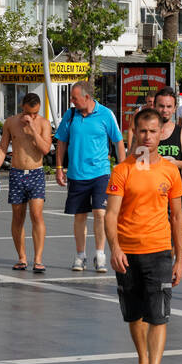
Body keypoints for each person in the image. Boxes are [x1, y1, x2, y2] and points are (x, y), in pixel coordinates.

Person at [105, 107, 182, 364]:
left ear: (161, 134)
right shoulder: (122, 169)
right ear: (134, 132)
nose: (148, 137)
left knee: (159, 316)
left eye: (153, 132)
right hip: (127, 252)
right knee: (134, 314)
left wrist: (180, 259)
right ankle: (142, 362)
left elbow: (177, 216)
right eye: (143, 131)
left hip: (160, 251)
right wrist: (114, 247)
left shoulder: (170, 170)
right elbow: (110, 214)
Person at [55, 81, 126, 274]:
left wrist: (123, 167)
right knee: (79, 215)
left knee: (100, 214)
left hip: (100, 172)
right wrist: (59, 167)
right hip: (76, 173)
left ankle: (100, 254)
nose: (72, 101)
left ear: (87, 97)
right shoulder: (70, 116)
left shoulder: (105, 114)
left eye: (74, 98)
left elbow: (118, 142)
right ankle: (80, 255)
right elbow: (61, 142)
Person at [0, 93, 52, 273]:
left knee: (37, 215)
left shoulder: (43, 123)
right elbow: (2, 147)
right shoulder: (11, 122)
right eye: (29, 112)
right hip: (17, 174)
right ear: (22, 106)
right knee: (18, 217)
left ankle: (38, 259)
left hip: (36, 173)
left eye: (35, 113)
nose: (32, 116)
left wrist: (33, 129)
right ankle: (22, 258)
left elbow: (46, 149)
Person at [145, 89, 182, 205]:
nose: (165, 110)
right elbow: (131, 160)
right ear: (154, 106)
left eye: (169, 106)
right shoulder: (144, 131)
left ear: (175, 109)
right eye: (161, 106)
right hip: (147, 194)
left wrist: (177, 163)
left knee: (175, 222)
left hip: (172, 195)